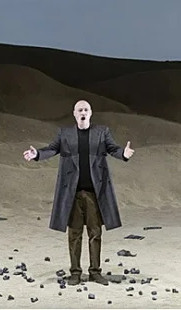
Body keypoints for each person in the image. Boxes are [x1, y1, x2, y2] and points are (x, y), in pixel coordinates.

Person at [23, 99, 134, 285]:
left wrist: (123, 153)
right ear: (74, 114)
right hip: (73, 194)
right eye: (80, 110)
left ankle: (95, 272)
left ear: (90, 113)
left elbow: (113, 149)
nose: (83, 112)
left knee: (95, 233)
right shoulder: (65, 134)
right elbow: (52, 149)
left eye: (86, 109)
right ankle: (75, 272)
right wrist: (37, 155)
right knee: (74, 234)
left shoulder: (101, 132)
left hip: (93, 193)